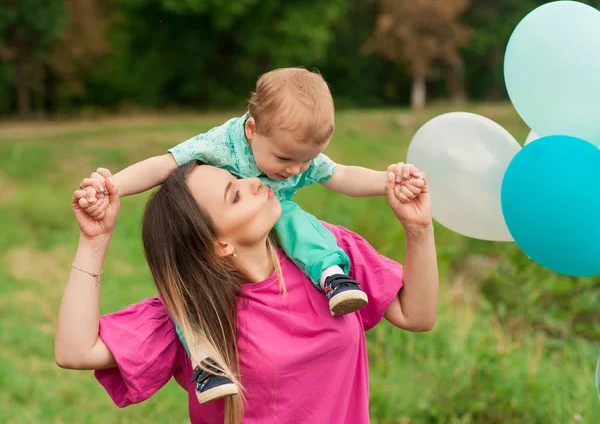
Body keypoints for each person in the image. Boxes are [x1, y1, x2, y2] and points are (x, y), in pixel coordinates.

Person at [77, 67, 425, 402]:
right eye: (285, 159)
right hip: (218, 252)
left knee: (292, 214)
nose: (295, 172)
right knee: (192, 301)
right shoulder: (220, 145)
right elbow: (163, 165)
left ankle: (332, 275)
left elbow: (342, 176)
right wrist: (113, 187)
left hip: (276, 225)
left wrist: (389, 183)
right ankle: (206, 359)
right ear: (252, 130)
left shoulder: (307, 182)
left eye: (308, 160)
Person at [56, 162, 438, 424]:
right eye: (234, 195)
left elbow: (417, 315)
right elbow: (76, 351)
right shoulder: (192, 317)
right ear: (218, 244)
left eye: (237, 178)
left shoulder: (326, 256)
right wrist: (94, 240)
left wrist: (418, 229)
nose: (255, 182)